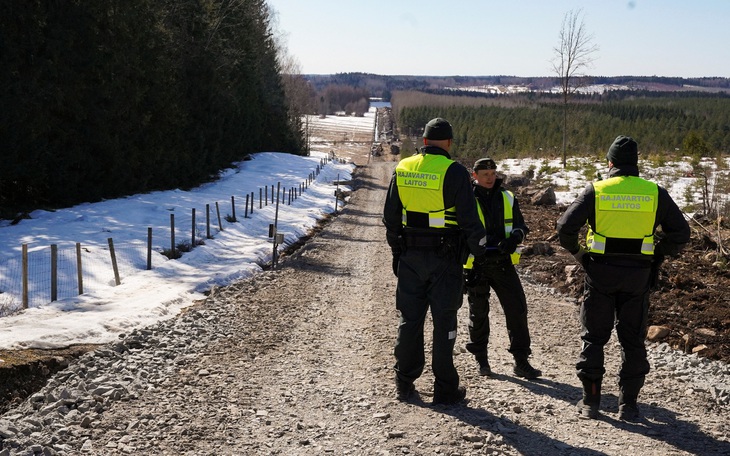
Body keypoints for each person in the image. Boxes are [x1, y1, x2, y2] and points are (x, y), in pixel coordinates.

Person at [556, 135, 690, 421]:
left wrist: (579, 254)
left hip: (600, 273)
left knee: (594, 337)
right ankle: (628, 406)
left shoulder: (597, 190)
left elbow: (565, 227)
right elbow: (682, 233)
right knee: (632, 340)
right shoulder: (654, 192)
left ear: (610, 163)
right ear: (636, 163)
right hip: (638, 277)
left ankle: (591, 402)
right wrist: (657, 253)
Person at [383, 117, 487, 405]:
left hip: (411, 257)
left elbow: (391, 217)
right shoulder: (454, 171)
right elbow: (470, 222)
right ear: (450, 143)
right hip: (445, 259)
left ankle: (403, 382)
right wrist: (479, 257)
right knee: (444, 322)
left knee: (410, 319)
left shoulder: (403, 168)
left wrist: (397, 252)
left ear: (425, 141)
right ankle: (445, 388)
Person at [463, 158, 542, 379]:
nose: (490, 177)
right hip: (477, 264)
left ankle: (521, 361)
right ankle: (482, 360)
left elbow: (521, 226)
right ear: (475, 176)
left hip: (503, 263)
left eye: (492, 173)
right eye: (484, 174)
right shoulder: (466, 198)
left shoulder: (507, 197)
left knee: (517, 310)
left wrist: (515, 238)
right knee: (478, 314)